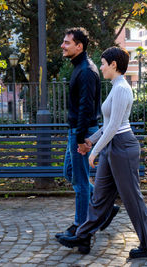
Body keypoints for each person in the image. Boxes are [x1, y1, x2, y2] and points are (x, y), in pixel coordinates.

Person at [58, 46, 147, 258]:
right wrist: (89, 141)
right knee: (100, 196)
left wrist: (94, 151)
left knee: (132, 198)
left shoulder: (122, 88)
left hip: (122, 146)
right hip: (113, 146)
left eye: (104, 63)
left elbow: (115, 126)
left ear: (114, 65)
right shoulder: (115, 87)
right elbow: (107, 126)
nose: (101, 67)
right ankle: (82, 234)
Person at [55, 28, 120, 240]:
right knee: (71, 173)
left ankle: (79, 227)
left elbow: (86, 107)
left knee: (80, 183)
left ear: (79, 46)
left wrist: (83, 139)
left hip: (81, 131)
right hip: (76, 130)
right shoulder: (80, 67)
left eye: (67, 43)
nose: (63, 46)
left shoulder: (85, 71)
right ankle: (106, 209)